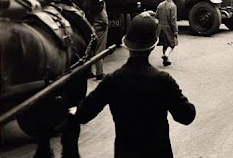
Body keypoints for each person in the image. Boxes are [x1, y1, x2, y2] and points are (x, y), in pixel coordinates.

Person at [69, 14, 196, 158]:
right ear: (153, 45)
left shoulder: (112, 80)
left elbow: (84, 114)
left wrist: (74, 111)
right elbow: (187, 116)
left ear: (126, 44)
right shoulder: (163, 81)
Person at [156, 0, 179, 66]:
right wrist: (175, 30)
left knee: (165, 44)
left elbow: (156, 15)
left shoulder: (160, 4)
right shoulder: (173, 6)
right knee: (172, 44)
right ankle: (166, 55)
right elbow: (173, 20)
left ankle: (166, 60)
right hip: (168, 28)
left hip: (160, 27)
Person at [88, 0, 109, 80]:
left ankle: (88, 71)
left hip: (91, 25)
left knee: (89, 49)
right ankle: (99, 73)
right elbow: (102, 14)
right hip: (99, 26)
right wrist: (105, 23)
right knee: (100, 49)